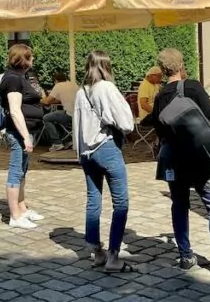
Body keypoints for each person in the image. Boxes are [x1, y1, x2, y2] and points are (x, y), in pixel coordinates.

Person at [142, 48, 210, 278]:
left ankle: (185, 257)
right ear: (181, 66)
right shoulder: (192, 86)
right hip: (197, 156)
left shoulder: (160, 96)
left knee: (179, 205)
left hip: (171, 157)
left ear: (162, 70)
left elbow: (158, 128)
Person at [73, 51, 136, 273]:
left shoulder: (82, 91)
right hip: (106, 148)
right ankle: (113, 256)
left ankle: (96, 251)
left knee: (93, 200)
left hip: (86, 152)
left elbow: (78, 126)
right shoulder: (106, 88)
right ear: (106, 66)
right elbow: (126, 122)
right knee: (121, 202)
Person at [0, 43, 45, 229]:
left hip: (26, 131)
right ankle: (15, 216)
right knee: (16, 172)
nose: (33, 59)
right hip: (18, 132)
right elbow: (15, 110)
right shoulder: (12, 79)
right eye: (30, 56)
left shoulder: (20, 77)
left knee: (22, 171)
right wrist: (25, 136)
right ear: (23, 58)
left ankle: (22, 207)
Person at [41, 72, 79, 151]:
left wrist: (40, 99)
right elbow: (59, 100)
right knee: (57, 115)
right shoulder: (73, 84)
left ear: (55, 80)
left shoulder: (58, 86)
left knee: (46, 118)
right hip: (79, 115)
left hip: (70, 114)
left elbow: (47, 102)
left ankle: (57, 143)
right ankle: (68, 139)